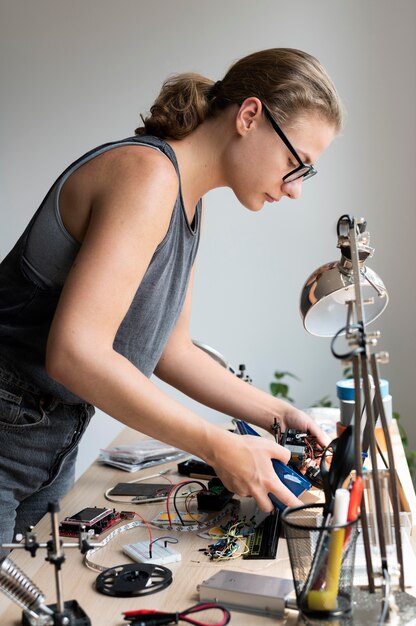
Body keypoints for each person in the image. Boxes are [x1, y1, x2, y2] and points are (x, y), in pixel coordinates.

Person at [0, 48, 342, 547]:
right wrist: (215, 445)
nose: (295, 190)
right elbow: (75, 352)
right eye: (296, 163)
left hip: (51, 433)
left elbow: (169, 350)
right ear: (249, 116)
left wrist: (275, 413)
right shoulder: (148, 175)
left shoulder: (188, 199)